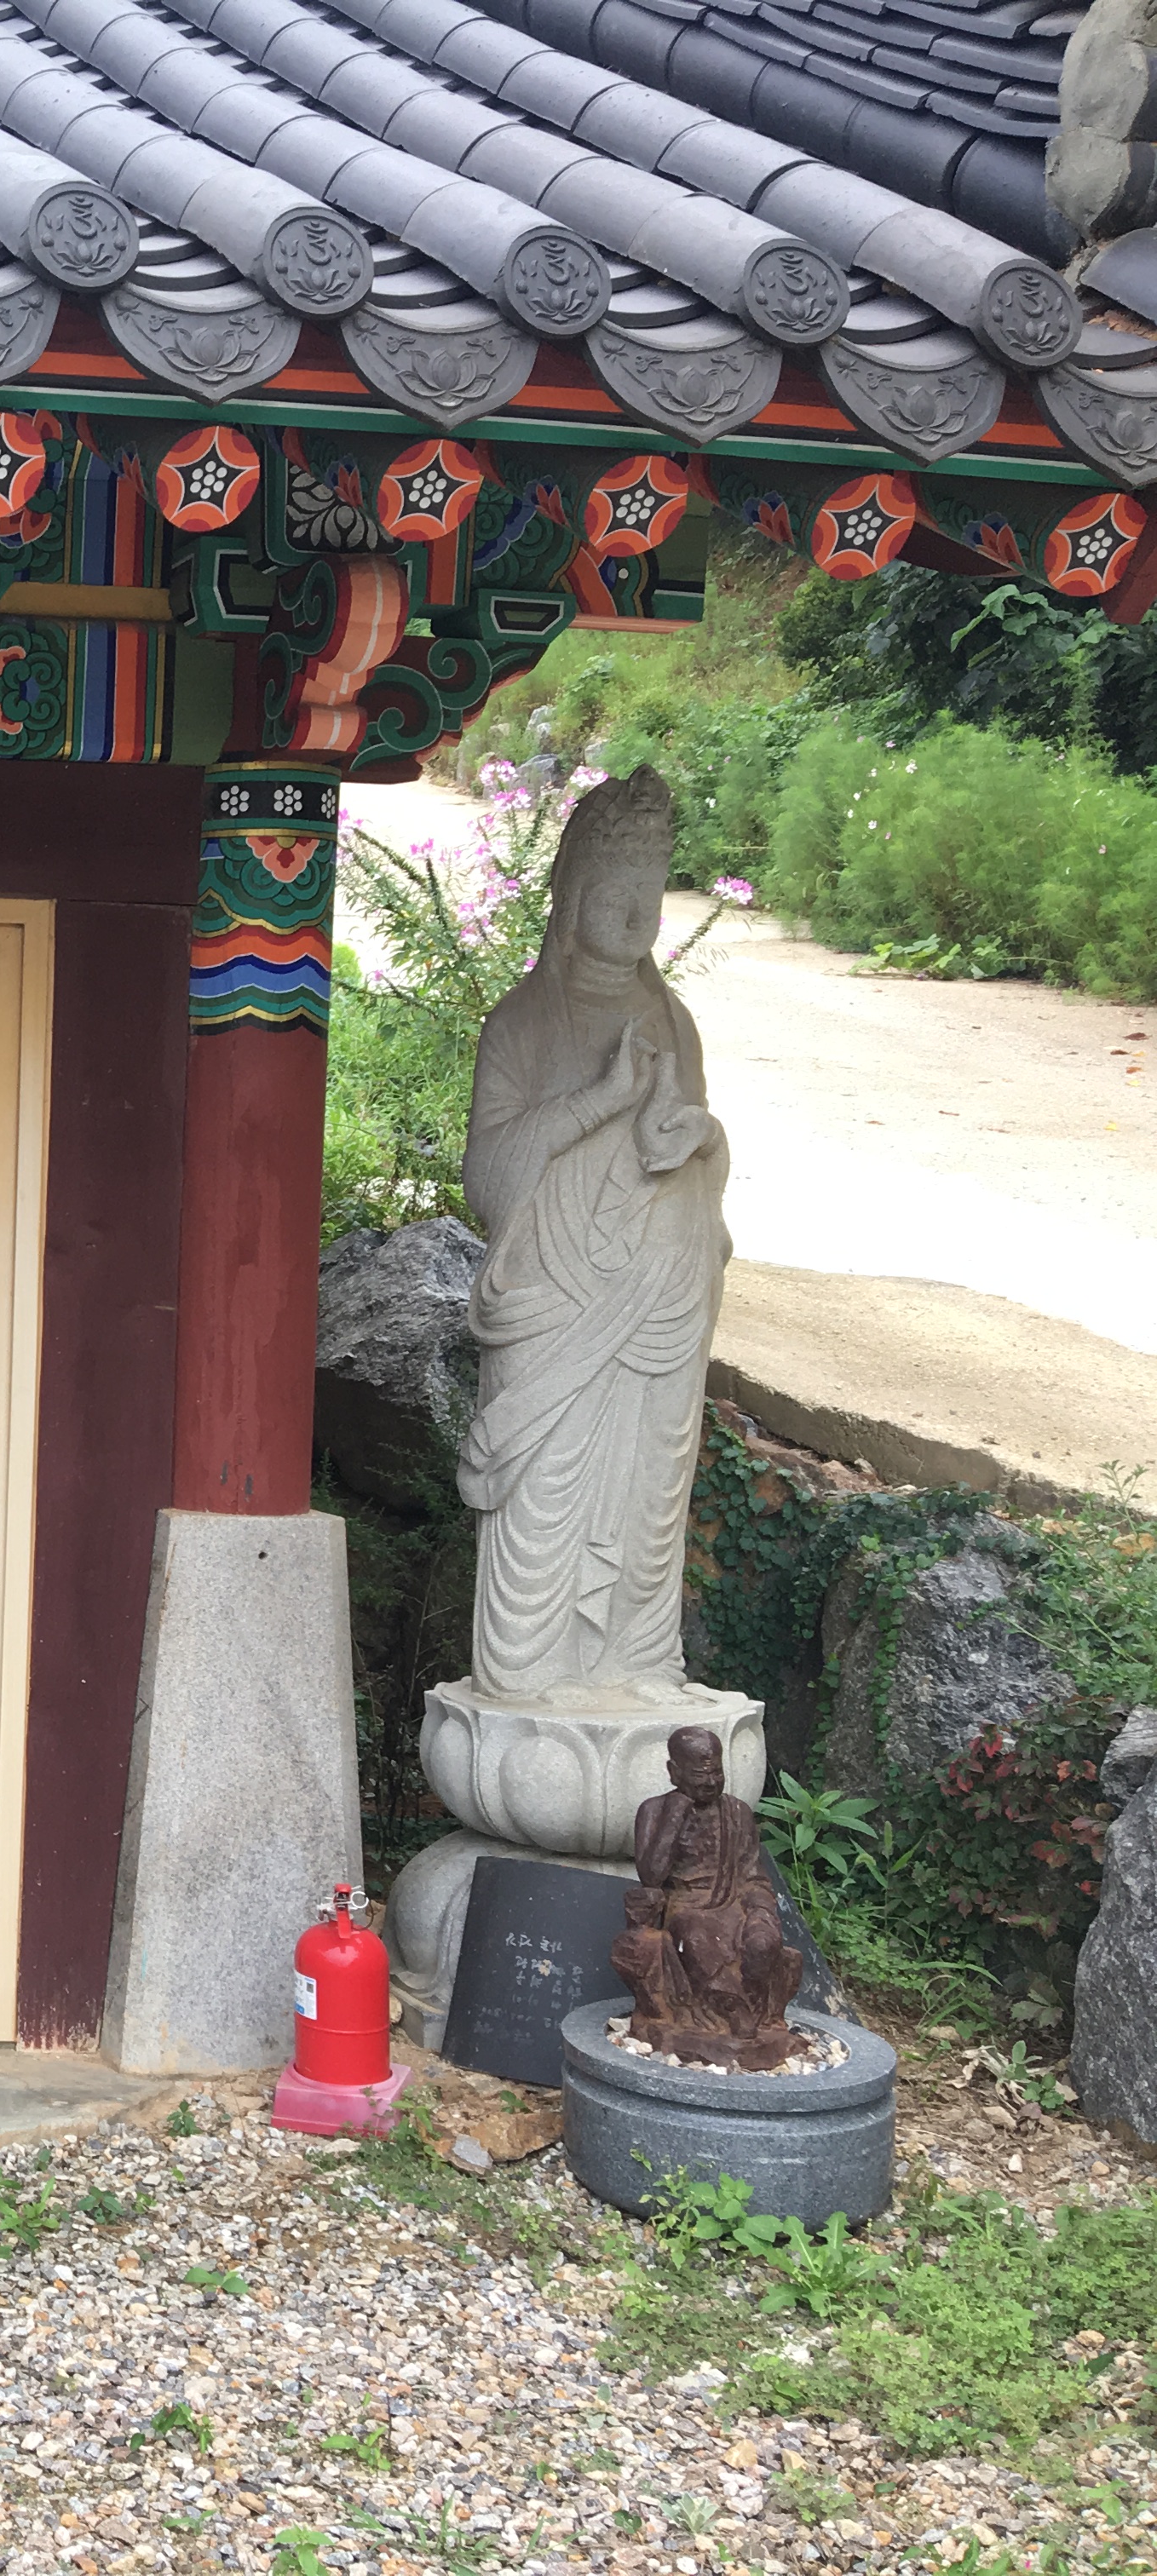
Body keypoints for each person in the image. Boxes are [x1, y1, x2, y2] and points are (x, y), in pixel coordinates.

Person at [459, 768, 730, 1704]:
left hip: (661, 1295)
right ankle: (526, 1676)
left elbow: (700, 1142)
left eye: (651, 891)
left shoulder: (674, 1022)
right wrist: (601, 1101)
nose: (636, 912)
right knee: (547, 1489)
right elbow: (488, 1176)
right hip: (554, 1296)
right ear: (572, 897)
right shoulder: (523, 1022)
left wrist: (697, 1139)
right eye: (616, 890)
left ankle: (638, 1662)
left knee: (650, 1493)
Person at [612, 1724, 799, 2067]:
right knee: (697, 1935)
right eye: (700, 1774)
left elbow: (753, 1875)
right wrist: (676, 1814)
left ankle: (755, 2011)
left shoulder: (738, 1813)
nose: (711, 1782)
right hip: (685, 1906)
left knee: (762, 1942)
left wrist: (761, 1912)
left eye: (717, 1772)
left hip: (735, 1903)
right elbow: (651, 1875)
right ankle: (730, 2007)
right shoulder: (655, 1810)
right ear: (674, 1772)